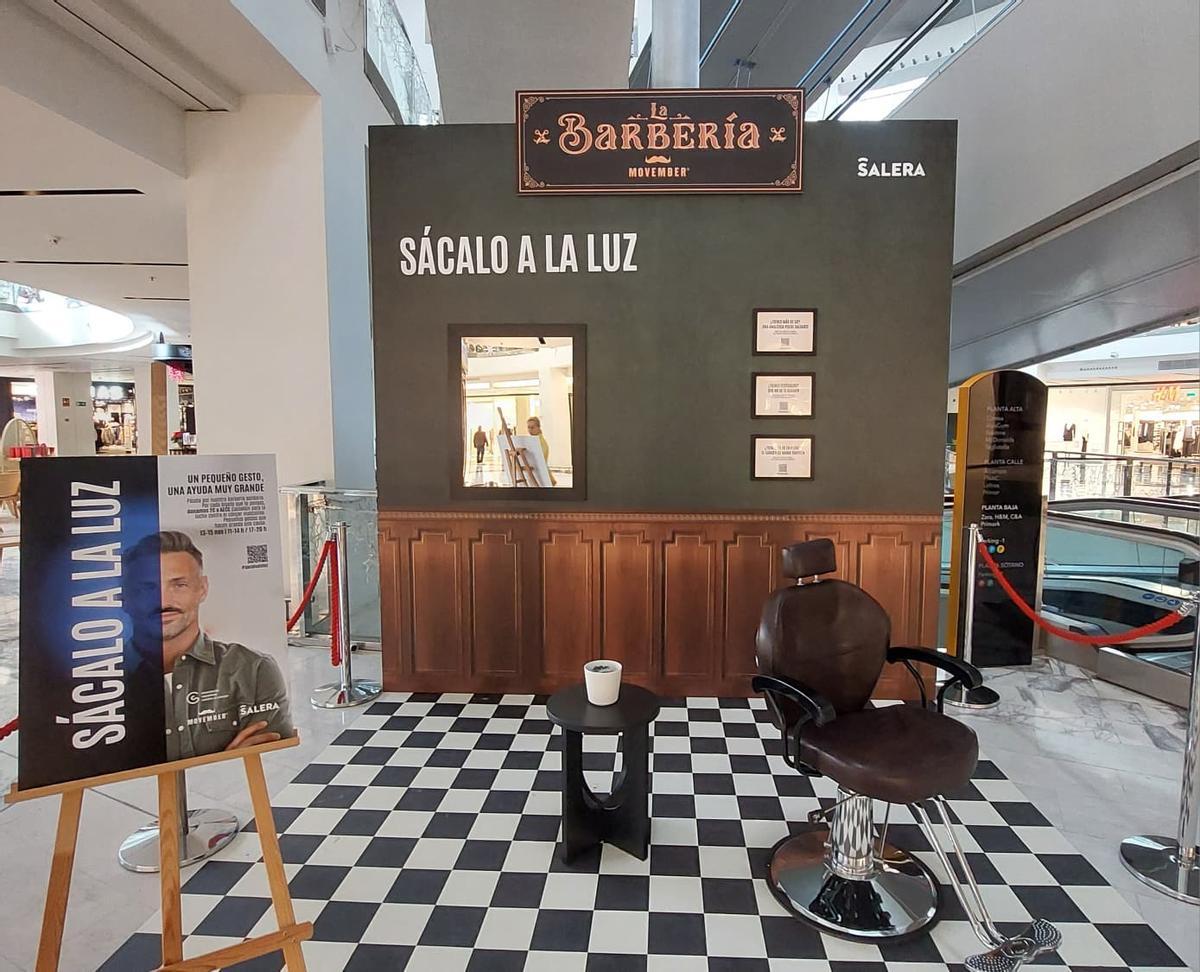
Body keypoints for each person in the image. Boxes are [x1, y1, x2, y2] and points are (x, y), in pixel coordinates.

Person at [126, 530, 294, 761]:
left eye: (179, 585)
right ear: (125, 597)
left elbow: (269, 750)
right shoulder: (87, 686)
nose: (163, 602)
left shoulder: (253, 670)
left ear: (202, 589)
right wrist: (225, 756)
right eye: (147, 588)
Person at [526, 416, 557, 485]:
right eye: (528, 427)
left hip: (542, 478)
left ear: (538, 427)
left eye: (532, 427)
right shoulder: (530, 441)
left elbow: (540, 462)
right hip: (534, 476)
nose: (530, 430)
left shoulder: (542, 443)